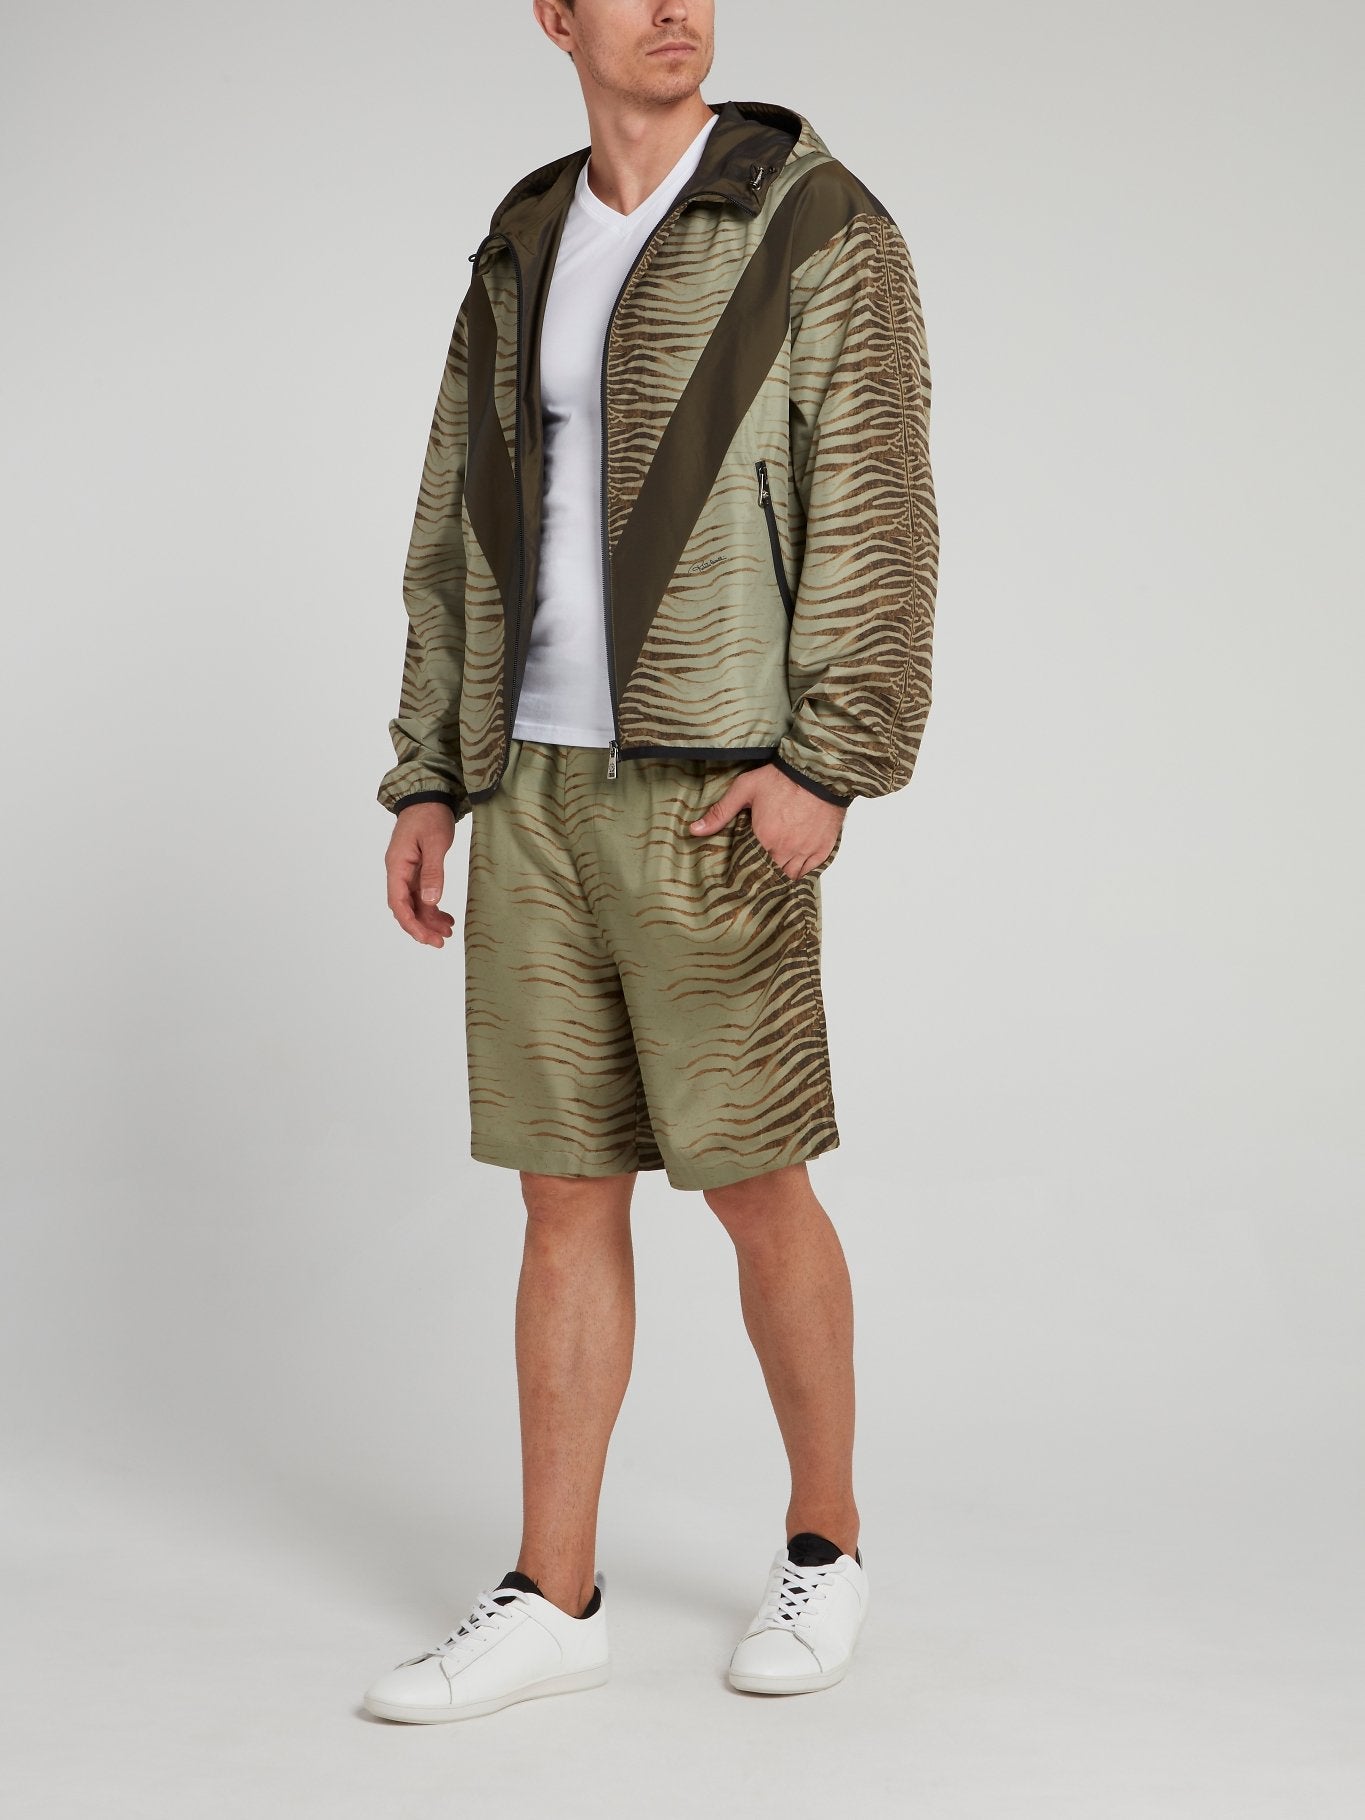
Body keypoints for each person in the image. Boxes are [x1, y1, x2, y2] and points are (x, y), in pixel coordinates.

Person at [365, 0, 938, 1723]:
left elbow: (879, 501)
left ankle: (825, 1546)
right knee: (560, 1192)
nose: (674, 7)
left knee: (752, 1180)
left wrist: (827, 760)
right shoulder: (524, 237)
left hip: (712, 784)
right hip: (531, 784)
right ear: (557, 16)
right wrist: (429, 771)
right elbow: (456, 516)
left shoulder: (815, 222)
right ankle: (554, 1592)